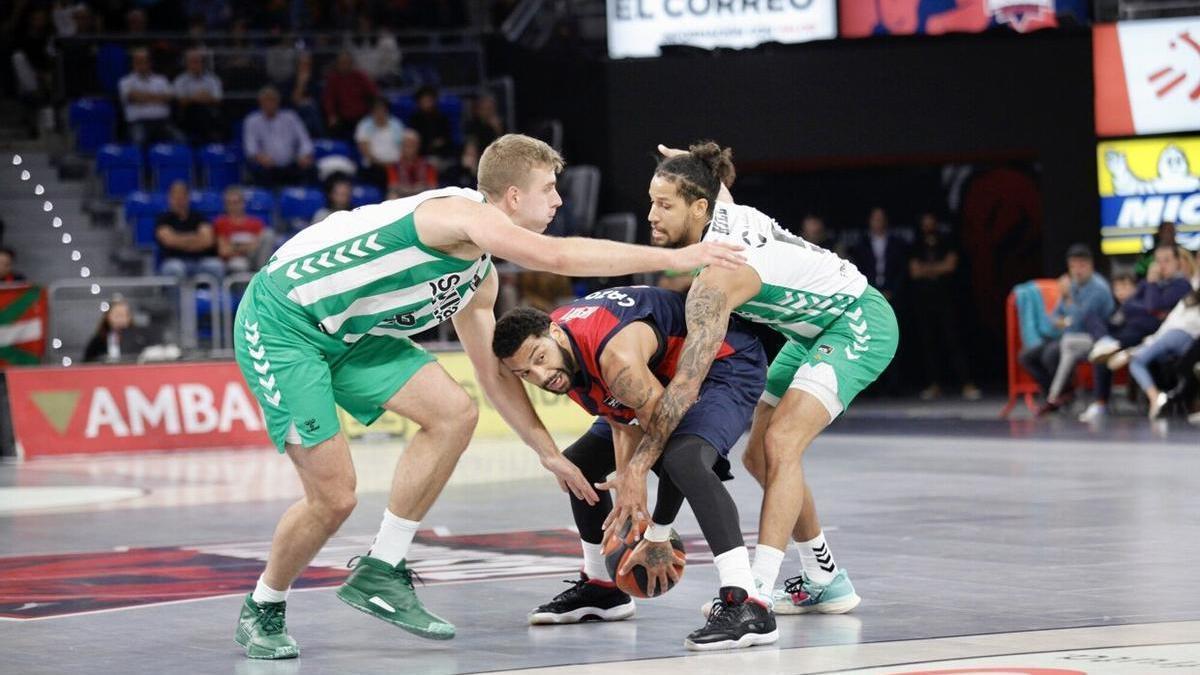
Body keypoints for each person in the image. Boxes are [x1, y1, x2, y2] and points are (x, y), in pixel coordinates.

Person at [230, 133, 745, 660]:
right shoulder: (457, 215)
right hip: (283, 325)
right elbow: (556, 255)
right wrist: (683, 254)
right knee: (335, 496)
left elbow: (494, 373)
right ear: (513, 197)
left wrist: (547, 452)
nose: (559, 201)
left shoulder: (478, 276)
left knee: (455, 413)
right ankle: (263, 607)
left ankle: (381, 568)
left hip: (348, 336)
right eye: (549, 189)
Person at [602, 142, 898, 627]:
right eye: (651, 200)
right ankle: (824, 579)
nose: (650, 215)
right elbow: (718, 186)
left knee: (782, 443)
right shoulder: (719, 213)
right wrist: (693, 163)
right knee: (757, 455)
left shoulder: (717, 281)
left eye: (664, 205)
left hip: (857, 323)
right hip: (810, 334)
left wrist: (640, 466)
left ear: (698, 208)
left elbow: (686, 389)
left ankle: (755, 591)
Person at [492, 287, 776, 651]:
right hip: (657, 376)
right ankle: (601, 587)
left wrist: (657, 532)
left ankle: (746, 603)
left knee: (685, 458)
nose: (541, 375)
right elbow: (620, 417)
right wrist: (627, 479)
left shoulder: (615, 356)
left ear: (555, 333)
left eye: (540, 358)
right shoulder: (566, 356)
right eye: (525, 373)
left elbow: (665, 427)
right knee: (580, 464)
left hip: (722, 362)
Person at [1081, 246, 1193, 422]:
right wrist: (1149, 306)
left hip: (1151, 331)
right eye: (1158, 260)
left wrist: (1151, 288)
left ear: (1178, 262)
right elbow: (1128, 305)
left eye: (1167, 260)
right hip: (1129, 326)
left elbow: (1151, 307)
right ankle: (1104, 340)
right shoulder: (1147, 283)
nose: (1161, 265)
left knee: (1106, 353)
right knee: (1092, 320)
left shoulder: (1180, 284)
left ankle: (1101, 403)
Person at [1019, 244, 1114, 414]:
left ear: (1090, 265)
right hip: (1068, 337)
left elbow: (1082, 321)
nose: (1077, 271)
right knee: (1027, 356)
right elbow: (1053, 317)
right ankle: (1061, 393)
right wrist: (1061, 317)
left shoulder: (1098, 289)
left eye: (1081, 265)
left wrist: (1068, 299)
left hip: (1092, 339)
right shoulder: (1073, 285)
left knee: (1051, 354)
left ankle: (1059, 395)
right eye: (1073, 266)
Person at [908, 212, 981, 401]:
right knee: (928, 343)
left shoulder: (947, 240)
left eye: (931, 220)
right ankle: (934, 385)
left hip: (947, 299)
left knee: (954, 341)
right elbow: (914, 271)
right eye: (925, 221)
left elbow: (950, 266)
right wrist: (936, 269)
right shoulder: (916, 244)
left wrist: (928, 269)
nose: (928, 224)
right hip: (924, 300)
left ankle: (967, 384)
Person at [1108, 288, 1200, 420]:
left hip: (1179, 336)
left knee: (1137, 361)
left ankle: (1154, 398)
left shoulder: (1187, 299)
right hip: (1183, 340)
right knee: (1151, 359)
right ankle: (1135, 353)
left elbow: (1170, 325)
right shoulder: (1187, 300)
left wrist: (1152, 341)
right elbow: (1170, 323)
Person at [243, 86, 315, 188]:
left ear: (278, 102)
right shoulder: (252, 121)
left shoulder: (291, 117)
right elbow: (250, 148)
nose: (269, 104)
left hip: (292, 164)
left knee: (310, 166)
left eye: (272, 100)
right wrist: (260, 157)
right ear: (260, 102)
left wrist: (304, 154)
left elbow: (305, 141)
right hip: (267, 166)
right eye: (266, 101)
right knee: (257, 169)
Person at [156, 181, 225, 279]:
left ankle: (217, 295)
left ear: (188, 197)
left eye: (182, 196)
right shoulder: (163, 219)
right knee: (175, 269)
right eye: (176, 197)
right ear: (170, 198)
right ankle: (176, 295)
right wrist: (195, 238)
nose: (179, 200)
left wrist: (178, 238)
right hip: (174, 260)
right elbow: (169, 241)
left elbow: (207, 241)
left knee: (216, 266)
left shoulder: (199, 217)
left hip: (200, 260)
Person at [118, 48, 183, 147]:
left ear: (149, 63)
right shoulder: (125, 81)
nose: (141, 65)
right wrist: (158, 97)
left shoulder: (161, 79)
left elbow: (170, 97)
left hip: (162, 122)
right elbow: (133, 98)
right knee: (138, 142)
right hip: (138, 122)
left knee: (181, 140)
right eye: (138, 62)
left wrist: (143, 96)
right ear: (133, 63)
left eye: (144, 61)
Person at [213, 186, 271, 274]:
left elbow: (260, 247)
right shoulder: (221, 223)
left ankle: (263, 275)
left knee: (269, 233)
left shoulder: (256, 223)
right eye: (229, 203)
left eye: (236, 202)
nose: (233, 206)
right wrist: (249, 246)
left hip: (256, 258)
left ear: (243, 203)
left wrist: (236, 246)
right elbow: (224, 251)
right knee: (239, 264)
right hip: (235, 260)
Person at [322, 51, 378, 140]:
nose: (344, 65)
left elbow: (374, 94)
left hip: (361, 116)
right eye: (341, 63)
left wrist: (373, 111)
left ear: (351, 63)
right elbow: (328, 100)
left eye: (346, 62)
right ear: (337, 64)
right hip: (342, 117)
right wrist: (331, 115)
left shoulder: (360, 76)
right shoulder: (333, 79)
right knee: (332, 127)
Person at [173, 48, 224, 144]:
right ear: (187, 64)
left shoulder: (212, 79)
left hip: (210, 111)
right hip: (188, 114)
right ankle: (209, 141)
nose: (196, 65)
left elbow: (218, 100)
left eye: (198, 62)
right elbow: (181, 101)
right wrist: (197, 98)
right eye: (193, 62)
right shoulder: (180, 80)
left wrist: (195, 98)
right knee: (199, 111)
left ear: (202, 63)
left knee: (210, 114)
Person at [354, 97, 405, 191]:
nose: (379, 113)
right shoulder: (364, 125)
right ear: (372, 111)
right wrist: (381, 164)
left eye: (382, 110)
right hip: (374, 166)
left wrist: (395, 163)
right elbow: (364, 150)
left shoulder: (396, 125)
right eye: (376, 110)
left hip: (396, 164)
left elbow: (403, 147)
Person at [82, 298, 155, 362]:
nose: (120, 319)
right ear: (107, 317)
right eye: (117, 315)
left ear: (129, 317)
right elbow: (87, 363)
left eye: (123, 315)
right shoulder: (98, 341)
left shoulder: (140, 339)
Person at [407, 85, 454, 158]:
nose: (427, 104)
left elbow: (447, 138)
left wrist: (440, 142)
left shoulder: (442, 118)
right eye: (424, 101)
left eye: (429, 100)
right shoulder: (414, 119)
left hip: (441, 154)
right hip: (421, 154)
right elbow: (413, 139)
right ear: (419, 102)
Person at [393, 129, 438, 197]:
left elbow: (433, 188)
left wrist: (408, 189)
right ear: (401, 147)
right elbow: (393, 188)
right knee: (392, 196)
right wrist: (418, 188)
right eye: (406, 145)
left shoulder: (428, 165)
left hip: (423, 200)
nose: (409, 148)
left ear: (418, 146)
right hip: (402, 200)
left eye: (412, 144)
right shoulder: (395, 166)